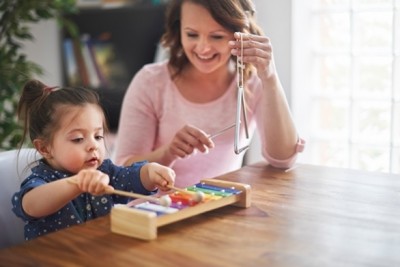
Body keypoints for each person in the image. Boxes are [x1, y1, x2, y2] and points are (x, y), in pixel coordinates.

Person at [114, 0, 304, 187]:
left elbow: (283, 160)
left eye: (217, 36)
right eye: (192, 34)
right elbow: (122, 171)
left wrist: (270, 77)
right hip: (154, 212)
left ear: (240, 35)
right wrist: (168, 153)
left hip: (218, 208)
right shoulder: (150, 82)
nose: (203, 48)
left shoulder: (252, 83)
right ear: (178, 29)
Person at [12, 79, 176, 240]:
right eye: (78, 139)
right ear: (44, 148)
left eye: (98, 136)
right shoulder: (42, 179)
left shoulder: (104, 172)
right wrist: (76, 183)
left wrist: (151, 172)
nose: (93, 145)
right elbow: (30, 205)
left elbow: (131, 177)